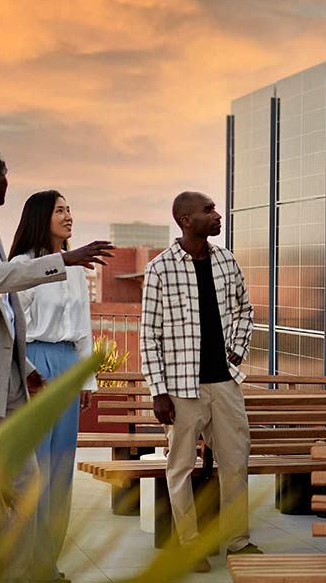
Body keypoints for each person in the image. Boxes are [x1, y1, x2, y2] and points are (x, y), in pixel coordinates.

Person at [0, 143, 112, 583]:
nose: (8, 181)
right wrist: (64, 259)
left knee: (28, 486)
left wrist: (24, 367)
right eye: (4, 173)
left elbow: (7, 313)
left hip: (9, 375)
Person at [139, 191, 260, 571]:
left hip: (224, 383)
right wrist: (158, 391)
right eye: (208, 210)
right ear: (186, 220)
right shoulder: (160, 269)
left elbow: (244, 308)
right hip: (180, 388)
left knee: (236, 462)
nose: (217, 214)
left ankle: (238, 542)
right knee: (179, 468)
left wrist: (237, 347)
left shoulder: (226, 261)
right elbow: (149, 335)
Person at [8, 190, 96, 582]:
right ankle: (22, 564)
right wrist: (28, 370)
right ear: (41, 216)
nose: (68, 215)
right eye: (60, 210)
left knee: (61, 468)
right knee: (33, 469)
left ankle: (48, 563)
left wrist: (86, 377)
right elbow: (12, 328)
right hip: (33, 366)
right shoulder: (22, 265)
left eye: (70, 208)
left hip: (66, 364)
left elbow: (83, 329)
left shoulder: (75, 268)